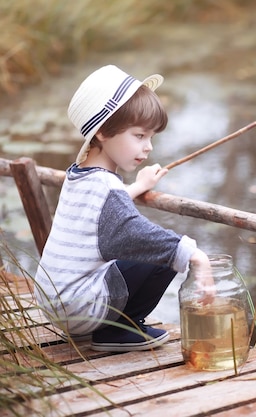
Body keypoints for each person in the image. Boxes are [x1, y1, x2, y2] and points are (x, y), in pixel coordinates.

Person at [34, 65, 214, 352]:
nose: (148, 147)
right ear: (103, 132)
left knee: (156, 249)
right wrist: (196, 256)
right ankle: (119, 329)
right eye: (139, 136)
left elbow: (101, 214)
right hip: (79, 309)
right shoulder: (107, 188)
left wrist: (136, 187)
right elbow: (136, 234)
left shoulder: (78, 174)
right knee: (161, 253)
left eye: (151, 137)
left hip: (54, 301)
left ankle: (108, 326)